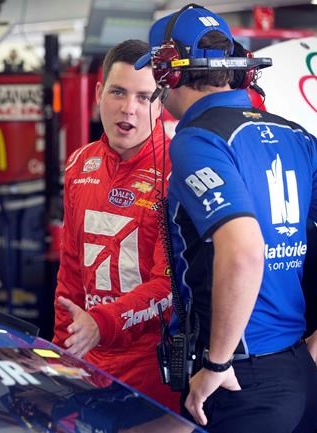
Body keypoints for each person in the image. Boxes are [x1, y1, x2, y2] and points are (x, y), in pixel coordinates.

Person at [135, 4, 317, 432]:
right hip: (301, 372)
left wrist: (217, 363)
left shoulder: (198, 139)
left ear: (170, 72)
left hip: (240, 379)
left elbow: (245, 249)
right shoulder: (297, 135)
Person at [52, 39, 179, 411]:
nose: (129, 109)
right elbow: (71, 272)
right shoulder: (79, 164)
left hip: (152, 372)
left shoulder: (178, 168)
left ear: (161, 102)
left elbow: (169, 286)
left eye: (144, 96)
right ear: (98, 93)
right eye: (118, 92)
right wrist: (62, 352)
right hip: (88, 362)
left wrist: (101, 323)